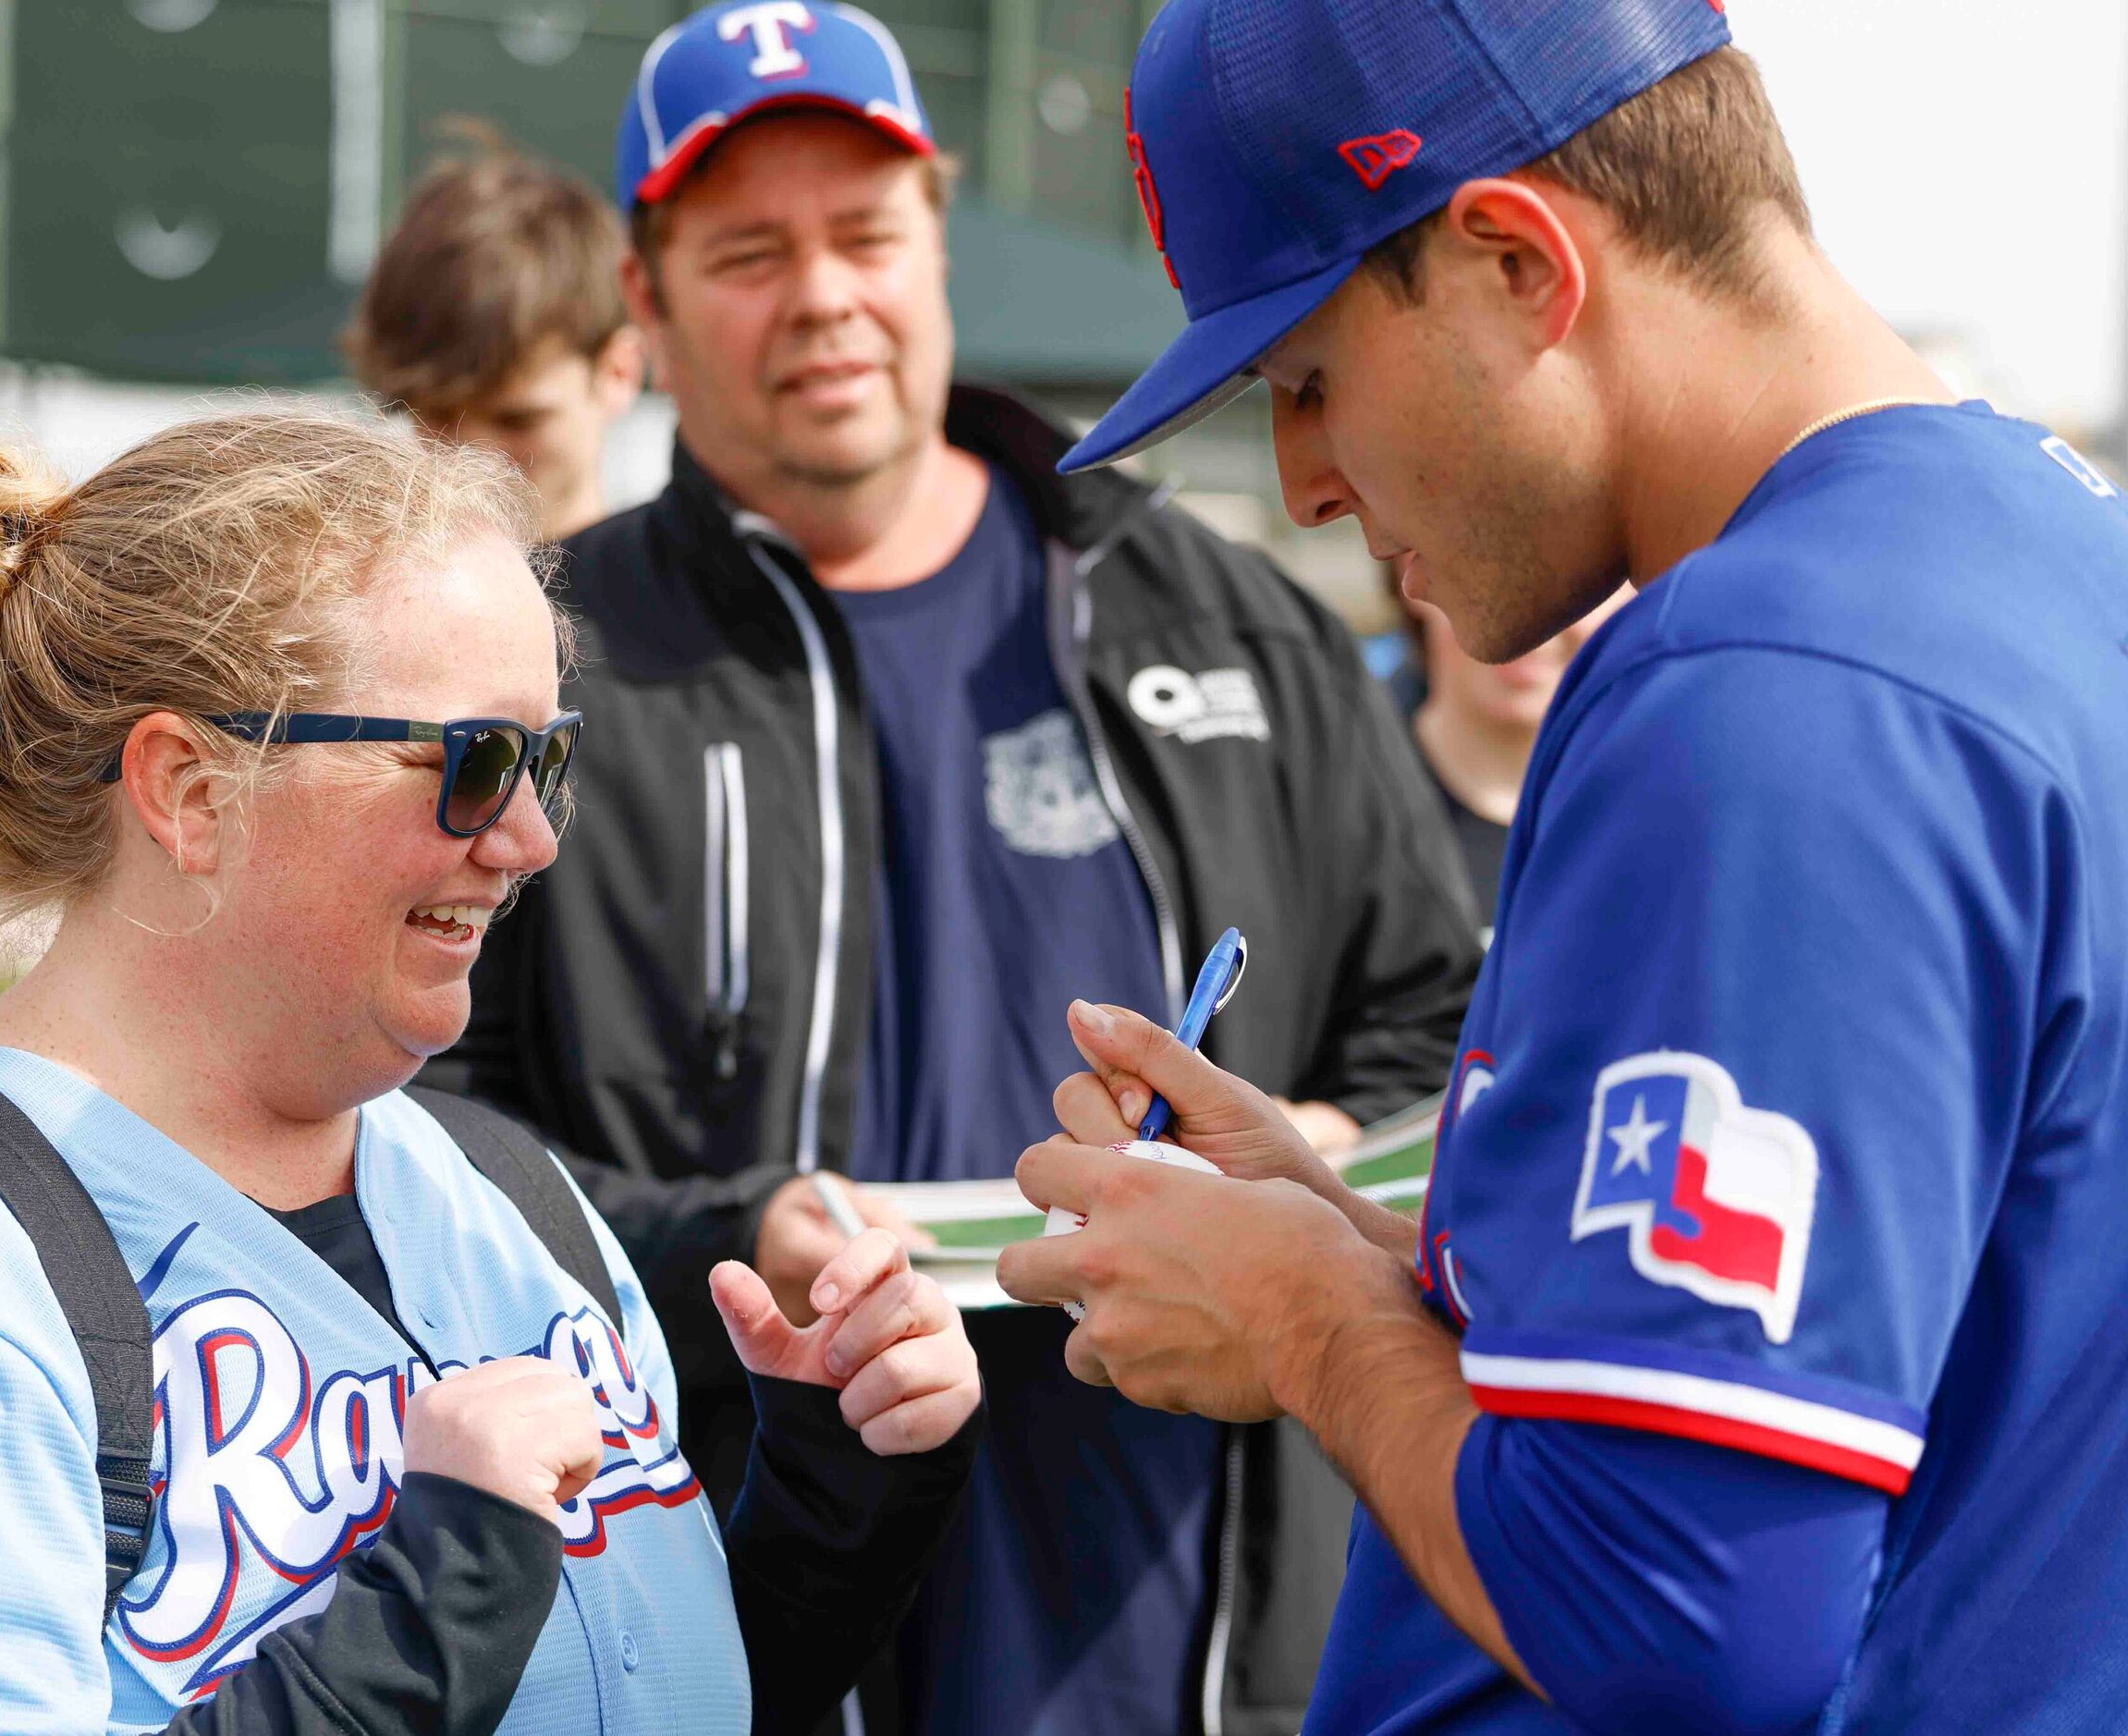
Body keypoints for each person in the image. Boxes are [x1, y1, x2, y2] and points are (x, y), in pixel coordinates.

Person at [1000, 1, 2128, 1731]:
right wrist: (1353, 1240)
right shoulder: (2060, 550)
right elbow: (1939, 1330)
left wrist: (1303, 1313)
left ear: (1512, 258)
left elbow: (1681, 1615)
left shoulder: (1777, 681)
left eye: (1307, 378)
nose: (1304, 478)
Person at [0, 410, 982, 1733]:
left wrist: (836, 1493)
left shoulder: (503, 1193)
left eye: (546, 759)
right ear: (191, 791)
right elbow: (452, 1637)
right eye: (469, 761)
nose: (527, 840)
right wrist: (439, 1596)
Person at [441, 6, 1482, 1730]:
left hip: (1194, 1637)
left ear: (938, 238)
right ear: (643, 297)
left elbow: (1441, 1040)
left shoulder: (1216, 614)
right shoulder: (539, 663)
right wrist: (718, 1242)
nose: (823, 295)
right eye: (750, 251)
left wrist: (1288, 1177)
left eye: (865, 233)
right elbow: (417, 1128)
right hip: (739, 1621)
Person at [346, 121, 646, 541]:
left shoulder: (695, 598)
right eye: (438, 417)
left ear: (619, 371)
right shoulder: (342, 601)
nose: (474, 464)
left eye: (517, 420)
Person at [1383, 574, 1626, 932]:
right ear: (1411, 563)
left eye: (1580, 576)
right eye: (1489, 564)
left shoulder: (1681, 812)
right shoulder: (1345, 813)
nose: (1528, 616)